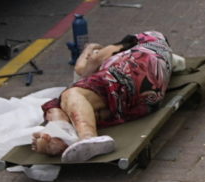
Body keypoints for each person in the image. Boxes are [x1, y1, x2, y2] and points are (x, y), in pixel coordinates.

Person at [29, 31, 177, 156]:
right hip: (144, 100)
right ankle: (59, 137)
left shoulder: (143, 40)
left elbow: (85, 69)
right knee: (70, 104)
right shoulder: (159, 51)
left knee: (71, 95)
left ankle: (87, 138)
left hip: (129, 75)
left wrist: (89, 49)